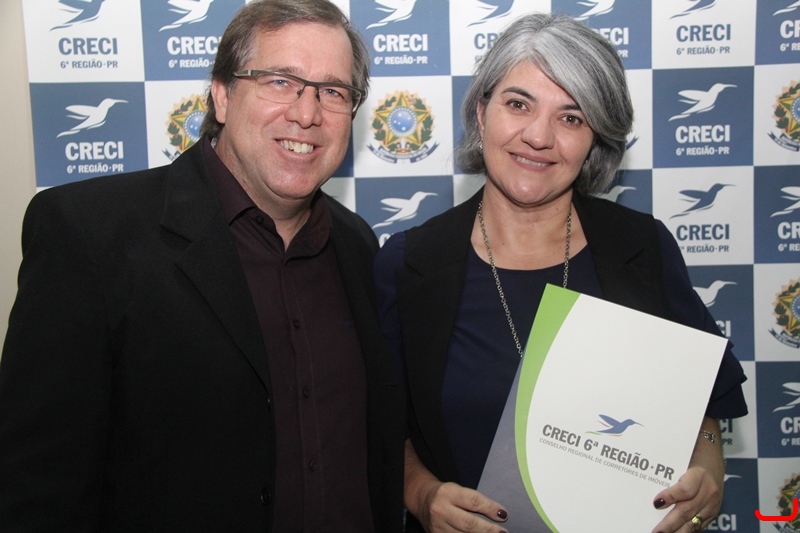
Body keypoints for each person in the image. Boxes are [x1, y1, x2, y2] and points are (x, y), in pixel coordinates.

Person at [0, 0, 405, 530]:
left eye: (333, 92)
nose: (307, 114)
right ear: (222, 94)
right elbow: (36, 486)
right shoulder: (90, 235)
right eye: (280, 81)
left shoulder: (358, 246)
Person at [374, 13, 747, 533]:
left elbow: (703, 399)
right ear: (481, 112)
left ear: (596, 139)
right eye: (518, 104)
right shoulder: (409, 264)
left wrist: (708, 467)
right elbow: (376, 425)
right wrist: (421, 494)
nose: (538, 136)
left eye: (571, 118)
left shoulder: (642, 248)